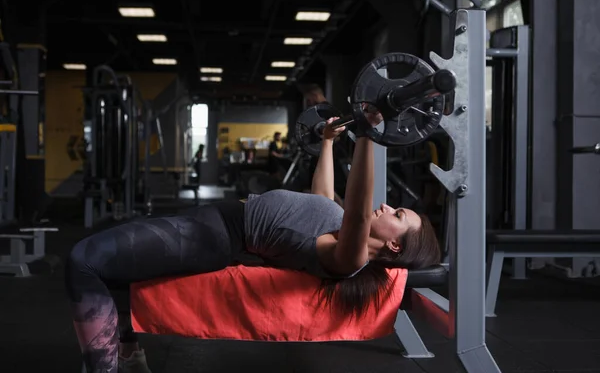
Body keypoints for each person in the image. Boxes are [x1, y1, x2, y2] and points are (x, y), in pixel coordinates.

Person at [65, 106, 441, 373]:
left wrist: (367, 137)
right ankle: (130, 358)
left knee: (84, 260)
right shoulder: (341, 225)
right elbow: (323, 195)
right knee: (119, 268)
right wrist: (327, 141)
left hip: (214, 236)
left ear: (394, 246)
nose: (388, 206)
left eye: (397, 215)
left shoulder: (351, 257)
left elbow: (359, 208)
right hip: (213, 222)